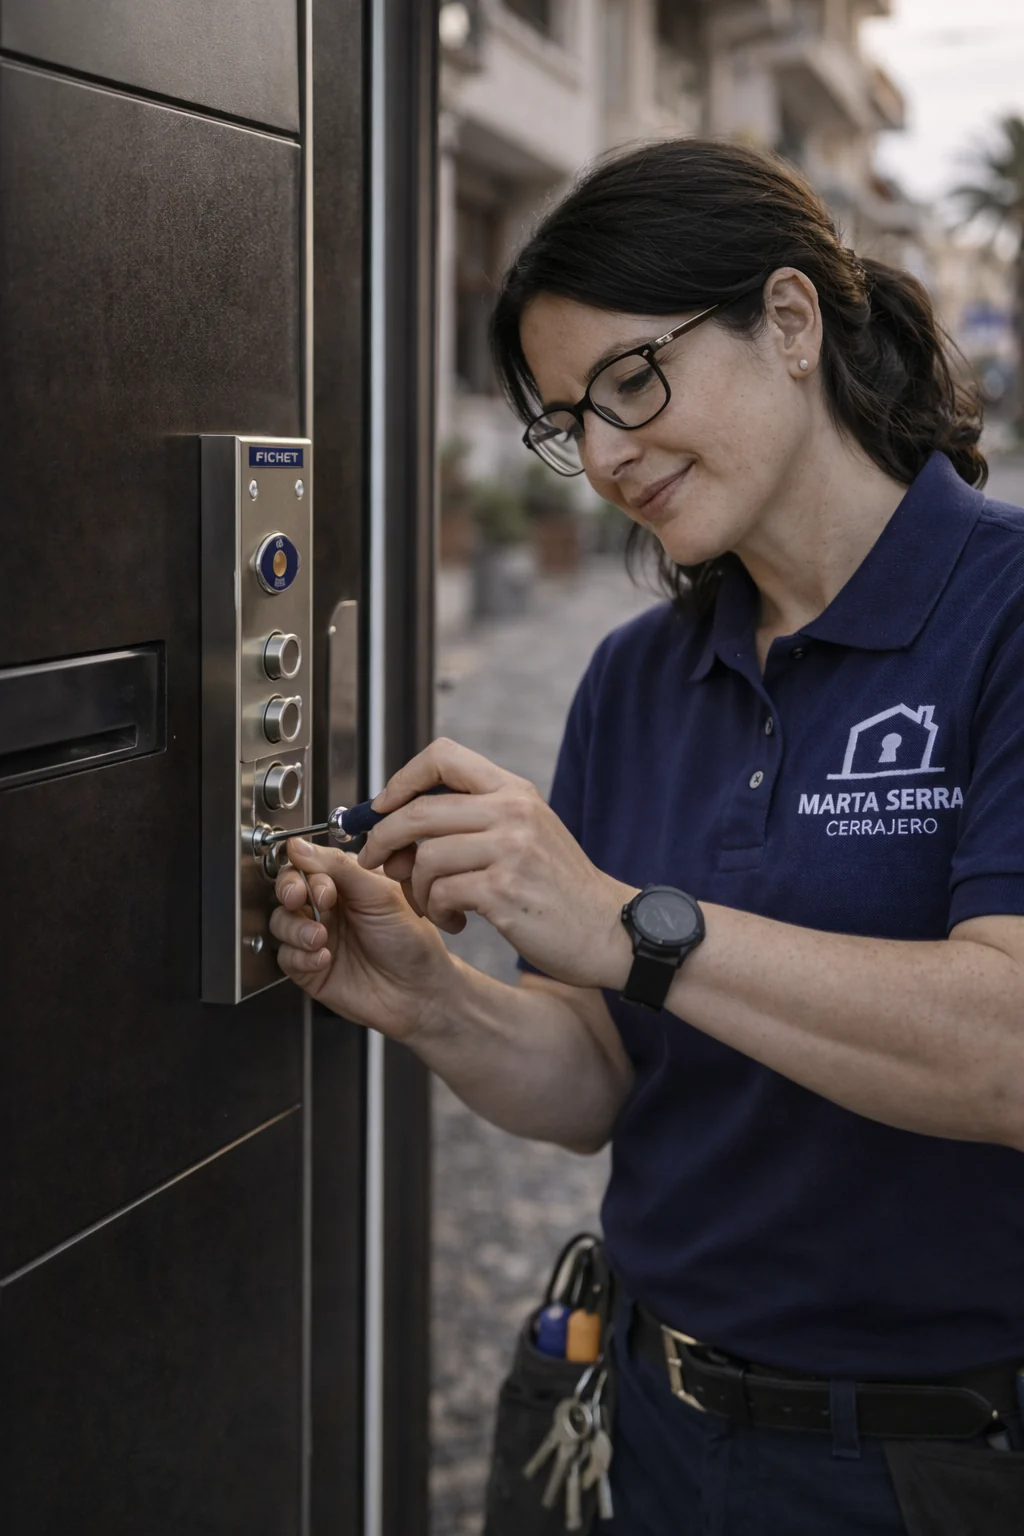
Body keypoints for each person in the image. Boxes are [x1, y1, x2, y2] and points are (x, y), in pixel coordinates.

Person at [272, 139, 1024, 1533]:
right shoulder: (639, 673)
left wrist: (627, 921)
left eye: (633, 378)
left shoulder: (1005, 615)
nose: (607, 455)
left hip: (939, 1463)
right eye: (572, 419)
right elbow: (602, 1079)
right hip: (649, 1426)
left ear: (791, 323)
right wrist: (435, 999)